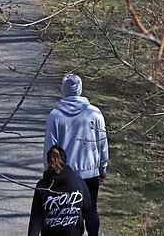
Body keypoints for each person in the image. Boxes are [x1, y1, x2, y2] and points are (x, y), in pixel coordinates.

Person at [43, 73, 109, 236]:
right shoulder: (95, 113)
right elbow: (102, 143)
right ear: (80, 89)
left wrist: (48, 172)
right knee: (91, 210)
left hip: (65, 176)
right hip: (90, 172)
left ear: (63, 90)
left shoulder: (55, 116)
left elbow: (50, 148)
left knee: (70, 213)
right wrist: (103, 168)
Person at [27, 145, 92, 236]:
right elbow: (89, 212)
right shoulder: (78, 183)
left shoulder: (43, 186)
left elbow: (36, 220)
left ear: (48, 162)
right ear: (65, 161)